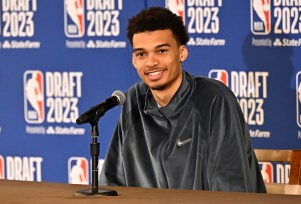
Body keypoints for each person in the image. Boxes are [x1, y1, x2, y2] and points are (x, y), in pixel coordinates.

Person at [99, 7, 266, 193]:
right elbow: (112, 182)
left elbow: (230, 186)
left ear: (182, 53)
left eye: (161, 51)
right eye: (141, 54)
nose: (151, 62)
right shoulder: (134, 99)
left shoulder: (214, 98)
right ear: (133, 60)